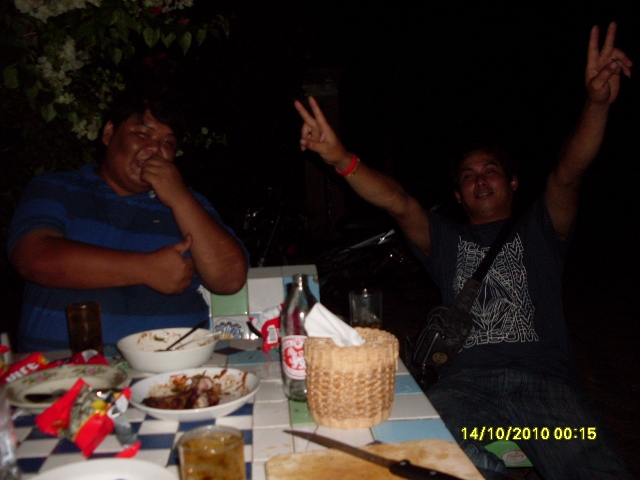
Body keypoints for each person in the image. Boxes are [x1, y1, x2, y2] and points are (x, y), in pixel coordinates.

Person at [295, 22, 634, 479]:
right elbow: (398, 201)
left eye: (490, 170)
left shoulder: (541, 227)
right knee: (421, 459)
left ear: (512, 182)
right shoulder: (446, 239)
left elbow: (569, 172)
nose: (479, 179)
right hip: (465, 389)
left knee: (592, 466)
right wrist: (341, 159)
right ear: (458, 195)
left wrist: (597, 104)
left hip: (547, 390)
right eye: (468, 176)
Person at [7, 87, 248, 351]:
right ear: (109, 133)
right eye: (142, 134)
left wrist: (179, 197)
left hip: (172, 366)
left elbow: (230, 279)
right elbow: (33, 258)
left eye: (168, 143)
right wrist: (147, 269)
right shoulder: (57, 187)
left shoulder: (190, 204)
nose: (155, 149)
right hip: (61, 368)